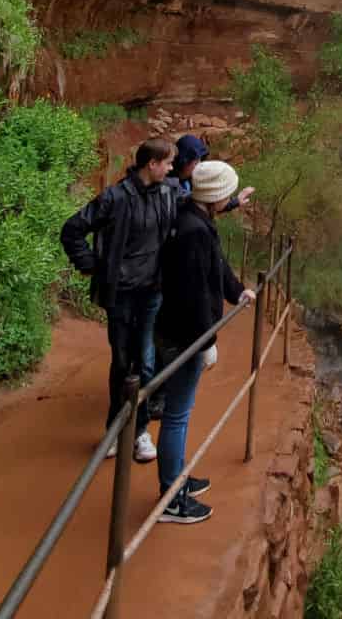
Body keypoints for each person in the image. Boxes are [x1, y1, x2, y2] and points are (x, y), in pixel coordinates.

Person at [60, 138, 178, 463]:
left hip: (153, 292)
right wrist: (91, 266)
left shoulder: (168, 194)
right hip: (122, 296)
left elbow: (194, 213)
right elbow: (72, 230)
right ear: (151, 164)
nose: (171, 169)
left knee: (146, 363)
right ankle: (116, 430)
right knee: (124, 363)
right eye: (167, 163)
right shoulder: (114, 198)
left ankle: (138, 432)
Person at [154, 159, 255, 524]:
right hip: (184, 336)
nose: (230, 196)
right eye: (227, 191)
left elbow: (217, 265)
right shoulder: (193, 230)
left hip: (178, 330)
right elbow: (194, 292)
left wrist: (237, 291)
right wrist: (205, 340)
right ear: (215, 195)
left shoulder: (193, 217)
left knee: (180, 412)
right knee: (176, 416)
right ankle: (171, 499)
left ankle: (178, 479)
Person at [170, 133, 255, 212]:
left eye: (200, 160)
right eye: (195, 163)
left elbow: (208, 202)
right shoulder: (170, 188)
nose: (199, 165)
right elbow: (199, 206)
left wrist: (236, 201)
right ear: (184, 162)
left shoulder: (190, 180)